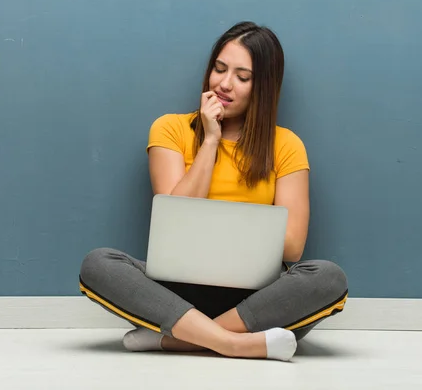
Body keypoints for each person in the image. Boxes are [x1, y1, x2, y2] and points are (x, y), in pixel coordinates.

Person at [79, 21, 348, 362]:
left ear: (262, 86)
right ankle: (234, 344)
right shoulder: (170, 129)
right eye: (219, 70)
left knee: (327, 278)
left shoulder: (286, 145)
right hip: (176, 292)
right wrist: (210, 140)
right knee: (98, 264)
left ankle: (178, 339)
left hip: (254, 298)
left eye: (242, 76)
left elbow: (292, 245)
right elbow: (175, 218)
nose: (224, 84)